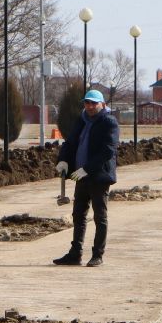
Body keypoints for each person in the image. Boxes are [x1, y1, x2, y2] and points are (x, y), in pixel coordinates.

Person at [53, 88, 119, 267]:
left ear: (102, 104)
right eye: (87, 103)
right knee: (79, 215)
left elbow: (108, 151)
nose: (90, 106)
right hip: (80, 176)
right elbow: (71, 142)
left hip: (99, 177)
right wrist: (64, 160)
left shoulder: (109, 122)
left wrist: (87, 169)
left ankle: (98, 254)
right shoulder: (82, 120)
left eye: (93, 103)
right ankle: (75, 254)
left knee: (100, 216)